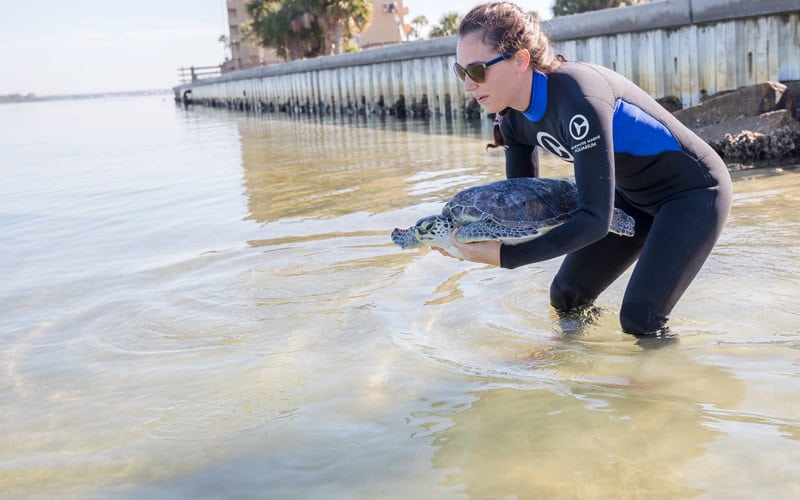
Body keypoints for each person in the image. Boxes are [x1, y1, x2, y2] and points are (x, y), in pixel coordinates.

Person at [439, 1, 733, 337]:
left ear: (520, 60)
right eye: (460, 72)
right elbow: (523, 211)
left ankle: (657, 384)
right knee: (567, 296)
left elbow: (594, 220)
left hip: (694, 193)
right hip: (632, 199)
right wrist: (457, 238)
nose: (467, 85)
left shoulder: (578, 98)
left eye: (476, 71)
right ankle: (573, 367)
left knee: (641, 318)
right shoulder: (512, 122)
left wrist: (506, 257)